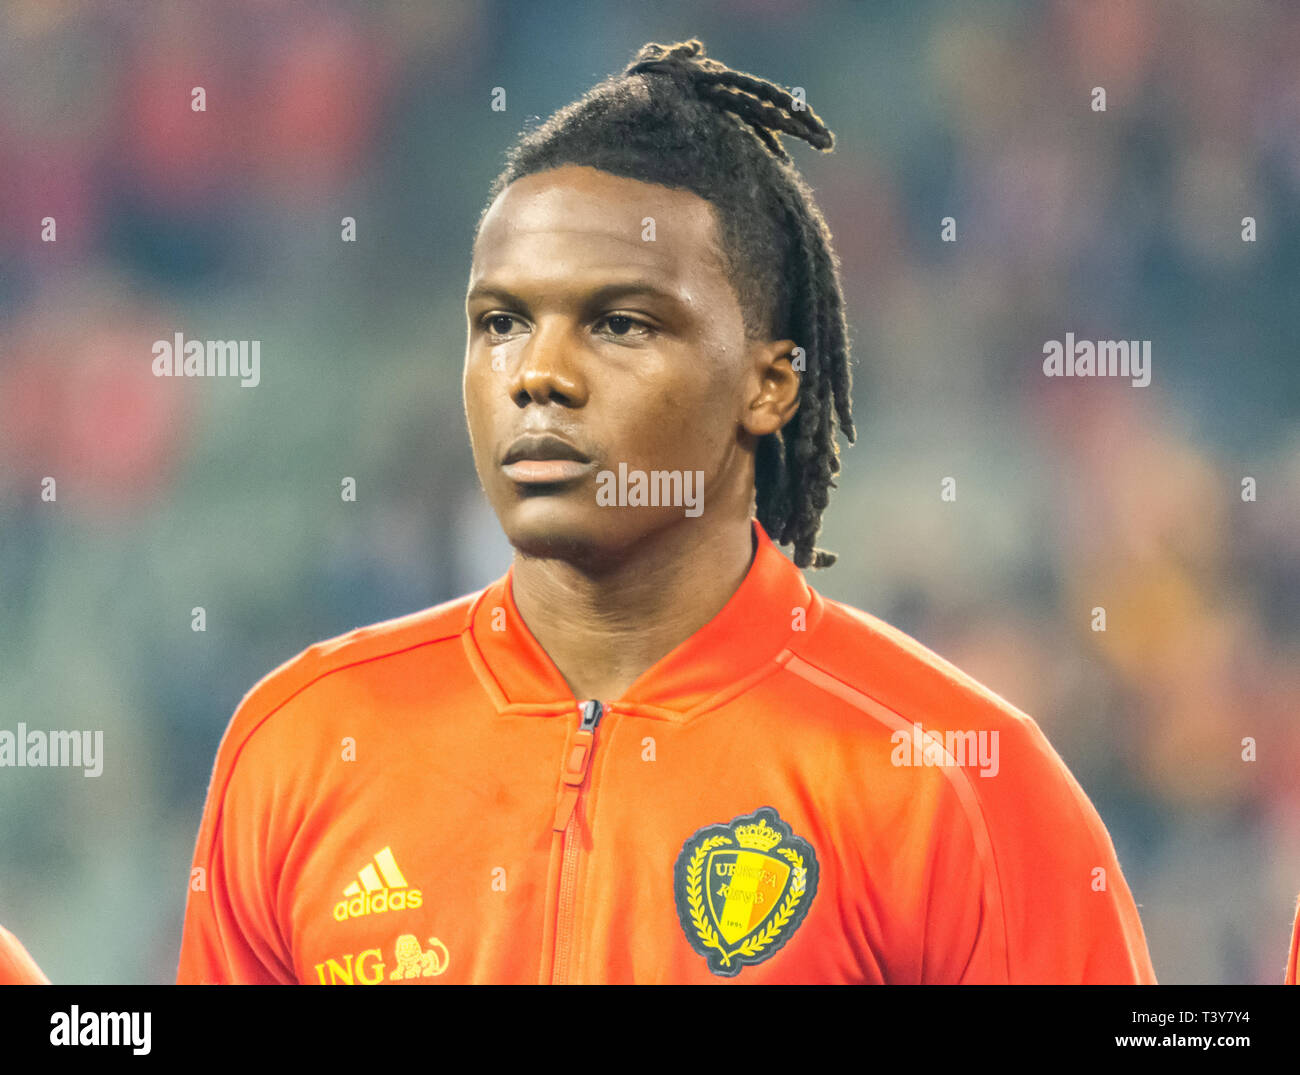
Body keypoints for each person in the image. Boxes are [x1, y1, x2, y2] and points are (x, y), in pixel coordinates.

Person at [177, 38, 1156, 984]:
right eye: (501, 322)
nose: (540, 375)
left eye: (620, 323)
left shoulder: (952, 778)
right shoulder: (303, 742)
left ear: (769, 385)